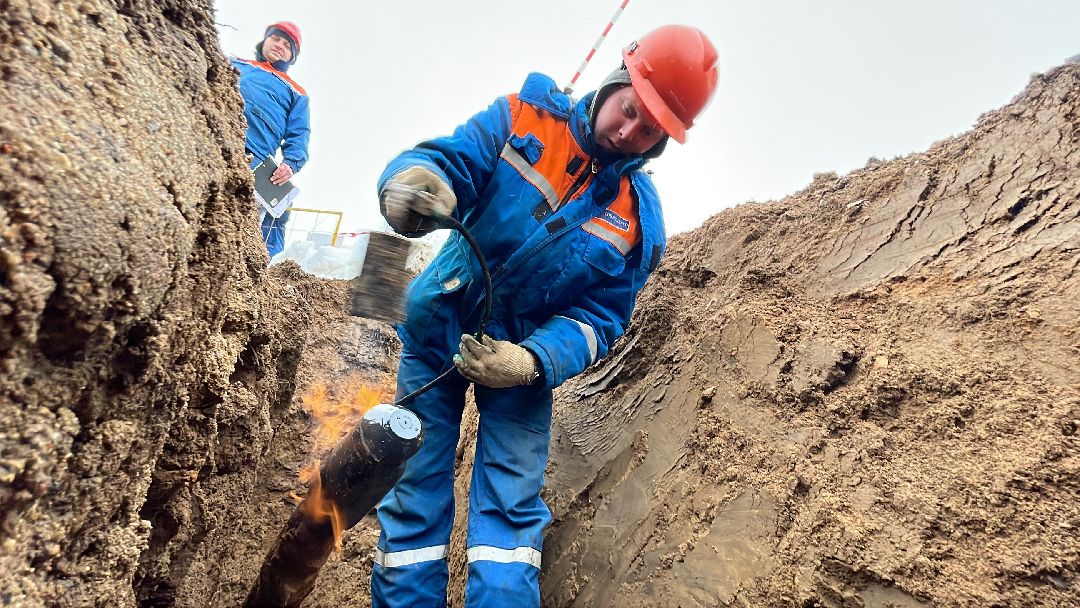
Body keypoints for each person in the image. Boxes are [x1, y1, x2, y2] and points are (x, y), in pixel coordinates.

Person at [371, 25, 719, 608]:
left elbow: (600, 319)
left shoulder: (638, 222)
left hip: (521, 365)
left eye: (649, 130)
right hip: (437, 332)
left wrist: (532, 360)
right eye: (629, 110)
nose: (628, 131)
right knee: (414, 496)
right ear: (616, 82)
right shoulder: (524, 120)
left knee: (509, 515)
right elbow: (446, 160)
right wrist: (414, 184)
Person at [230, 21, 310, 257]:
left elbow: (300, 133)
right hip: (220, 136)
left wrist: (291, 164)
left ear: (292, 56)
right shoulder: (236, 64)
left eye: (287, 45)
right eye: (276, 39)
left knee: (279, 209)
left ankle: (266, 267)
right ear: (265, 39)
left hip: (256, 157)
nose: (280, 46)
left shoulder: (296, 92)